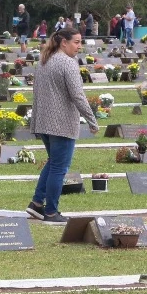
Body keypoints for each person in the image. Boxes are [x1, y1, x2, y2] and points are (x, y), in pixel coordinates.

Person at [24, 27, 98, 222]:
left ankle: (37, 203)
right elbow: (77, 95)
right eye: (76, 42)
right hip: (61, 123)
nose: (79, 46)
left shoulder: (44, 60)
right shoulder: (68, 63)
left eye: (80, 42)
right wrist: (92, 119)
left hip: (44, 121)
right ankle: (51, 211)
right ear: (64, 42)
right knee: (59, 168)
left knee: (53, 163)